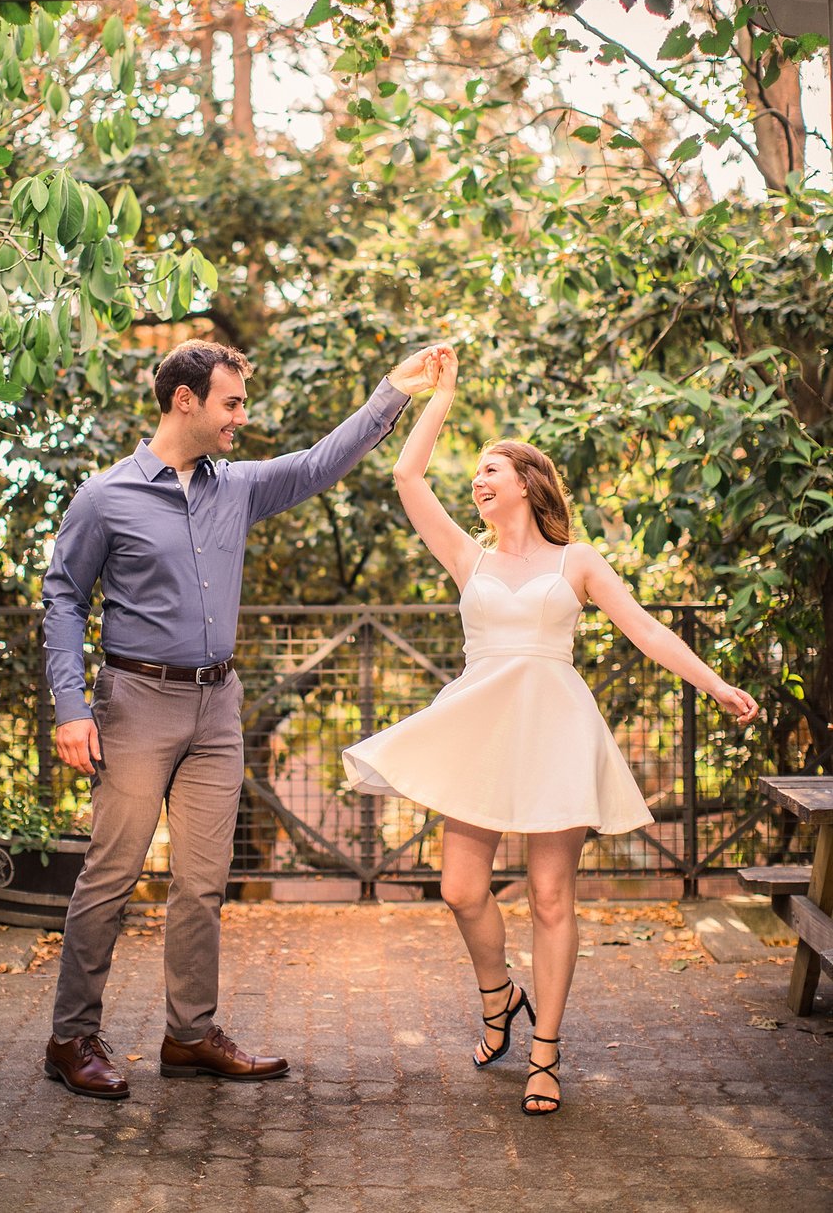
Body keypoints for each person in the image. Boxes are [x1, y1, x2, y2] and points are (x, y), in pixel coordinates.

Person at [343, 345, 759, 1115]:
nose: (478, 480)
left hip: (556, 732)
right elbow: (406, 477)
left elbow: (646, 632)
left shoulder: (578, 562)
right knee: (461, 889)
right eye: (476, 474)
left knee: (550, 897)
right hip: (480, 732)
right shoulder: (466, 557)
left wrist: (715, 682)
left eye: (492, 470)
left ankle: (544, 1054)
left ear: (528, 483)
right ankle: (499, 998)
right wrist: (440, 396)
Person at [40, 337, 442, 1099]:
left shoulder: (239, 487)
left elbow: (321, 463)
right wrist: (70, 708)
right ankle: (72, 1037)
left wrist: (395, 389)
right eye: (231, 403)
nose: (241, 419)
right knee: (112, 874)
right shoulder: (105, 497)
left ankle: (189, 1036)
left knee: (202, 882)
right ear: (184, 400)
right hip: (135, 704)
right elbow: (64, 597)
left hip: (218, 706)